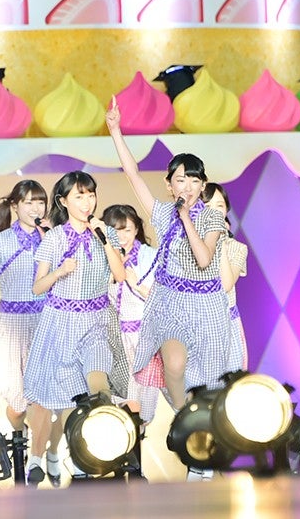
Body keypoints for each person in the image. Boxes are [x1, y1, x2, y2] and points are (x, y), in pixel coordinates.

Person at [105, 97, 238, 412]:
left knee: (209, 385)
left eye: (194, 180)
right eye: (181, 180)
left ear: (203, 185)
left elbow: (204, 259)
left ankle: (203, 425)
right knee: (174, 367)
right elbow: (133, 175)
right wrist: (115, 131)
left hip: (207, 306)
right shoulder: (162, 213)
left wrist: (187, 218)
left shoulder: (212, 218)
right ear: (169, 185)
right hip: (170, 304)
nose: (188, 186)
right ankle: (183, 419)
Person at [22, 171, 128, 485]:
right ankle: (52, 458)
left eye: (90, 195)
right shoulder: (54, 238)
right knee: (58, 400)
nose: (87, 202)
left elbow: (120, 275)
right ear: (63, 201)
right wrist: (59, 272)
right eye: (79, 196)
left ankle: (97, 452)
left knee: (99, 388)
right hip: (61, 324)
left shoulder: (105, 232)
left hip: (96, 321)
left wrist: (105, 238)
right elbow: (37, 287)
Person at [0, 180, 63, 487]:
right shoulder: (0, 241)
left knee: (46, 399)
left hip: (46, 320)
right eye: (28, 202)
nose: (36, 208)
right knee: (17, 405)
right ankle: (20, 436)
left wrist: (50, 237)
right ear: (15, 206)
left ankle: (44, 455)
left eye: (40, 202)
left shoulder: (54, 236)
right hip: (11, 324)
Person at [102, 204, 160, 426]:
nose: (122, 237)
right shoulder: (101, 259)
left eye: (127, 230)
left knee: (143, 407)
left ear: (136, 229)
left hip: (144, 335)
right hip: (114, 338)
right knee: (118, 401)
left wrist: (135, 283)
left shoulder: (151, 257)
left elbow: (161, 300)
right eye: (116, 231)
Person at [202, 183, 249, 370]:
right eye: (207, 206)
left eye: (219, 206)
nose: (214, 211)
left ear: (226, 210)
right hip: (197, 324)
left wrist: (219, 242)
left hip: (226, 324)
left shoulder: (237, 248)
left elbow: (227, 284)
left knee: (228, 382)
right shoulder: (189, 245)